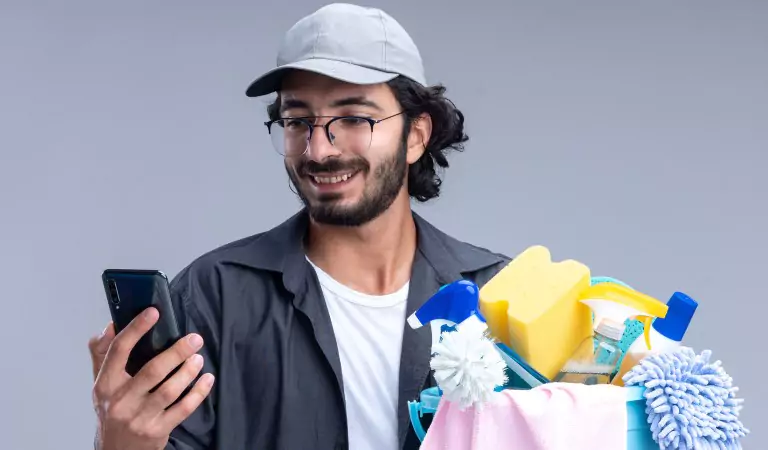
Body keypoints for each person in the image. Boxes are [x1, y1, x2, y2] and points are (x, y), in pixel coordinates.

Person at [88, 3, 510, 450]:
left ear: (416, 136)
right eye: (297, 121)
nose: (319, 150)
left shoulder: (499, 295)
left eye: (353, 118)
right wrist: (119, 444)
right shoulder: (214, 298)